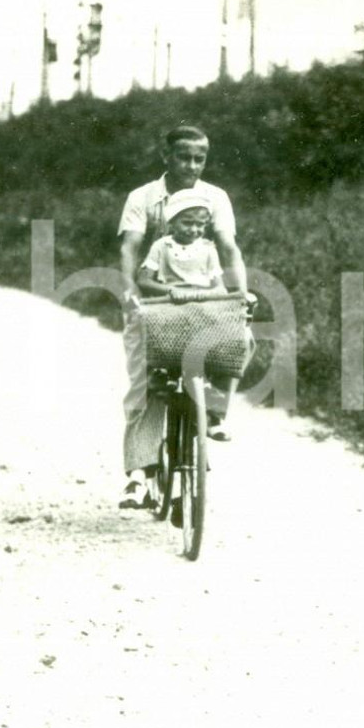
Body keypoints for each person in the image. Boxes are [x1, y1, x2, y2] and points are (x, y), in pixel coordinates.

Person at [117, 126, 247, 509]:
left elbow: (227, 247)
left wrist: (241, 294)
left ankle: (214, 414)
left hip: (202, 304)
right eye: (183, 157)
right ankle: (139, 476)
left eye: (199, 158)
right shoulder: (142, 197)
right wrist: (129, 292)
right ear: (166, 156)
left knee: (240, 339)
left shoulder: (215, 198)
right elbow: (129, 248)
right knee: (144, 382)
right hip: (156, 305)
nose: (191, 165)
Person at [136, 189, 227, 300]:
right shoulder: (162, 245)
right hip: (171, 300)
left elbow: (220, 288)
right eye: (187, 223)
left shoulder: (208, 248)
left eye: (200, 224)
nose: (194, 229)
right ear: (172, 223)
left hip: (202, 301)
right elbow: (143, 281)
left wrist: (202, 295)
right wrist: (171, 290)